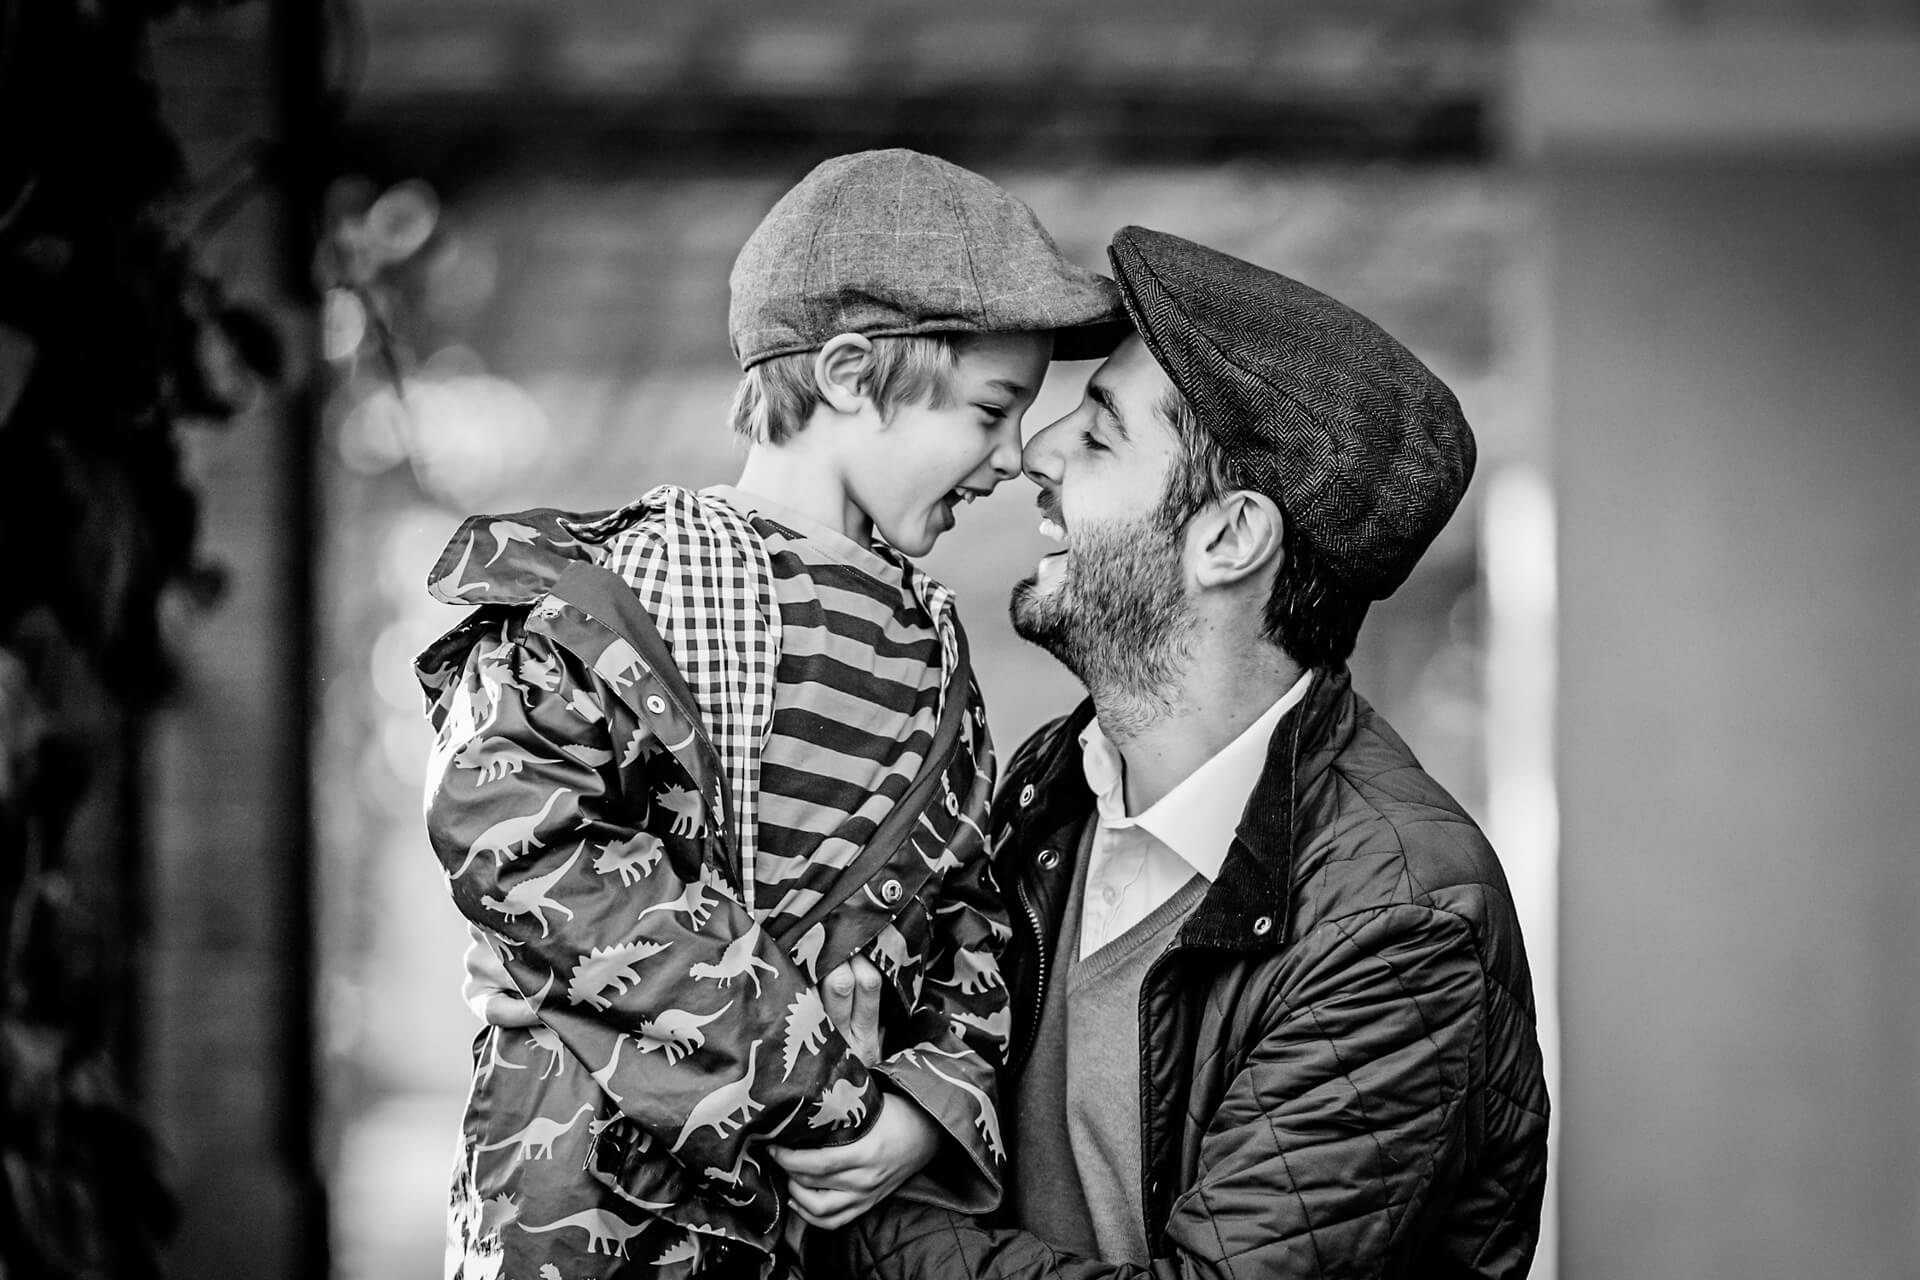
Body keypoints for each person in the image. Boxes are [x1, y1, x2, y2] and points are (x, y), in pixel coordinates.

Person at [416, 149, 1128, 1279]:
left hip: (810, 1238)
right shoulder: (611, 596)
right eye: (992, 410)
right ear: (849, 373)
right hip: (592, 1222)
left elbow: (969, 912)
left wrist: (926, 1104)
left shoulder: (932, 654)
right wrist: (828, 1091)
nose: (1012, 457)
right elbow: (528, 846)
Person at [819, 226, 1550, 1279]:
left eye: (1102, 435)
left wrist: (848, 1203)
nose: (1035, 449)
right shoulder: (1041, 794)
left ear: (1230, 537)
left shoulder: (1404, 921)